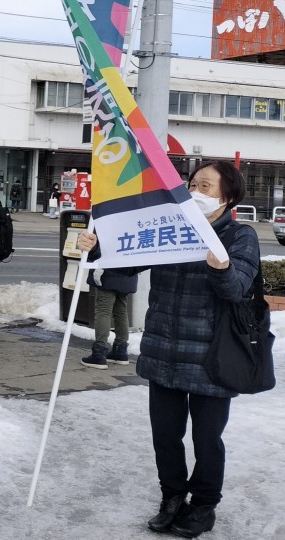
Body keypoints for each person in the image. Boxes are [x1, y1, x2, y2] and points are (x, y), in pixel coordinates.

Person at [77, 160, 259, 538]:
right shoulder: (170, 225)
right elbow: (126, 266)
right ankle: (172, 496)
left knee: (207, 438)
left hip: (212, 357)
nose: (195, 191)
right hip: (163, 350)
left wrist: (220, 267)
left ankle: (204, 504)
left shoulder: (239, 237)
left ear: (228, 196)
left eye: (206, 186)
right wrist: (98, 249)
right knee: (165, 435)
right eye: (193, 183)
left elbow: (236, 289)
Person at [79, 241, 138, 370]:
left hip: (107, 272)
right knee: (121, 311)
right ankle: (120, 351)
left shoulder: (109, 224)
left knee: (103, 311)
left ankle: (99, 353)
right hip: (128, 273)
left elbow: (100, 250)